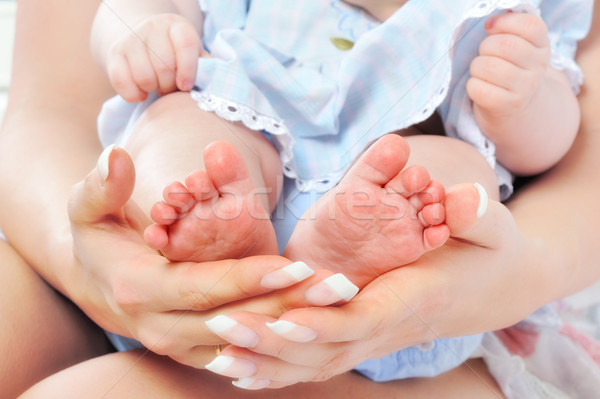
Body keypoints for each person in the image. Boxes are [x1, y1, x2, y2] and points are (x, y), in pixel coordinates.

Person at [2, 0, 600, 397]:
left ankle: (342, 263)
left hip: (399, 179)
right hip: (241, 122)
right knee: (184, 122)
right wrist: (141, 32)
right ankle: (206, 225)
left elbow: (551, 145)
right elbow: (131, 16)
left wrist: (522, 100)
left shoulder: (504, 14)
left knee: (443, 176)